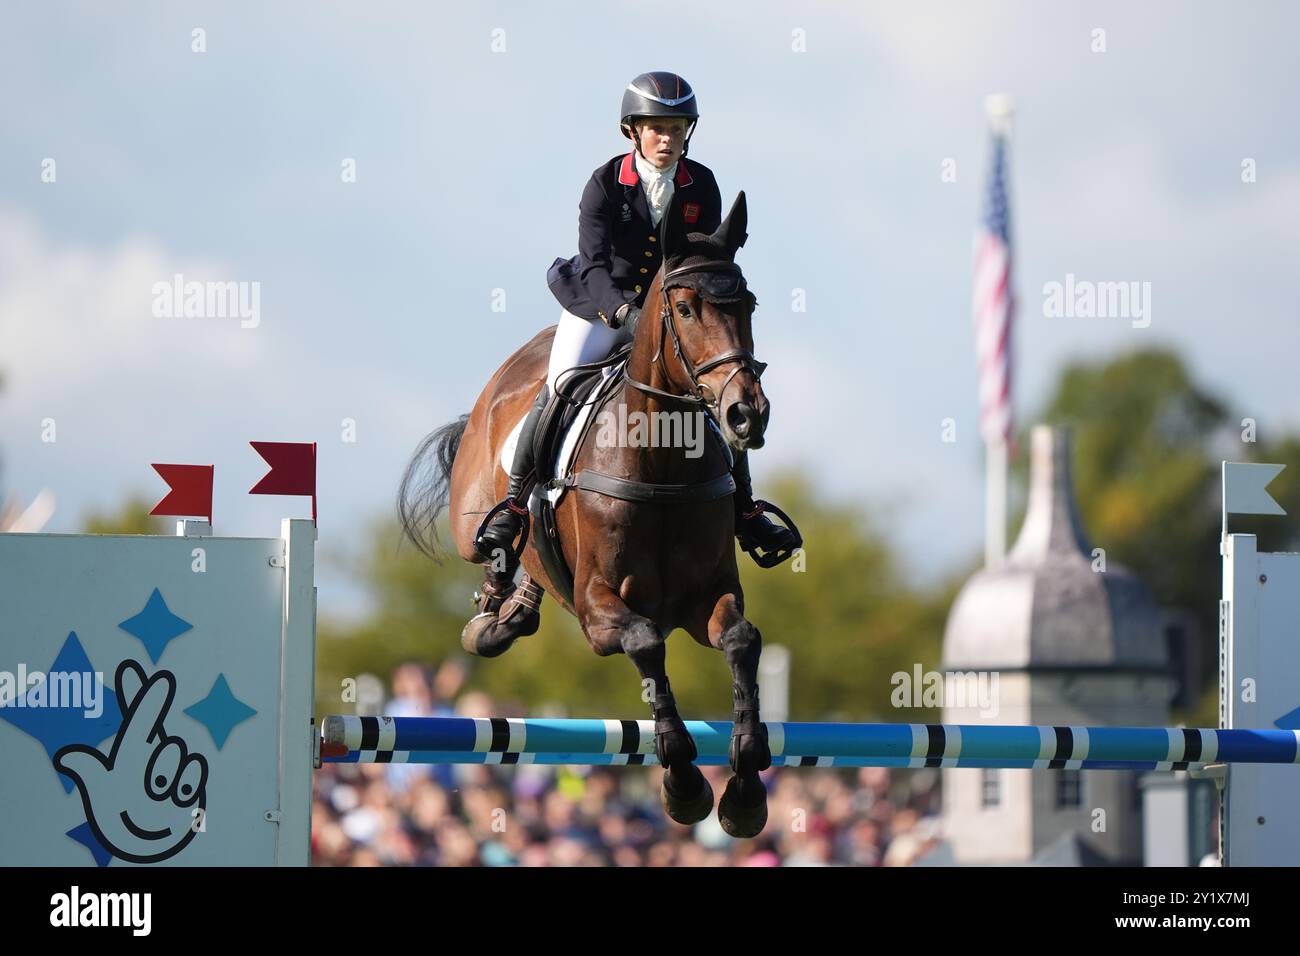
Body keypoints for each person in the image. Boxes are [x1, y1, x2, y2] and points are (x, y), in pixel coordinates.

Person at [476, 71, 799, 578]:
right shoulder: (604, 184)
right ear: (633, 131)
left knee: (710, 396)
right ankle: (514, 506)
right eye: (656, 129)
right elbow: (596, 265)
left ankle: (746, 511)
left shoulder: (702, 184)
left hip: (672, 314)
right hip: (601, 305)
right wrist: (625, 313)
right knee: (561, 385)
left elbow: (700, 259)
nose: (666, 139)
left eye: (675, 128)